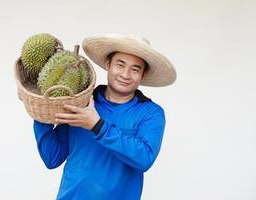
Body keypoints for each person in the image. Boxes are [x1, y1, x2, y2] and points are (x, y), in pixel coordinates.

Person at [33, 33, 177, 200]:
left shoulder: (150, 113)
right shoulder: (82, 102)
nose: (126, 74)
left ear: (142, 75)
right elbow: (53, 157)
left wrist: (97, 125)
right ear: (108, 64)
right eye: (120, 65)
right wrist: (39, 110)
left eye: (135, 69)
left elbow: (144, 159)